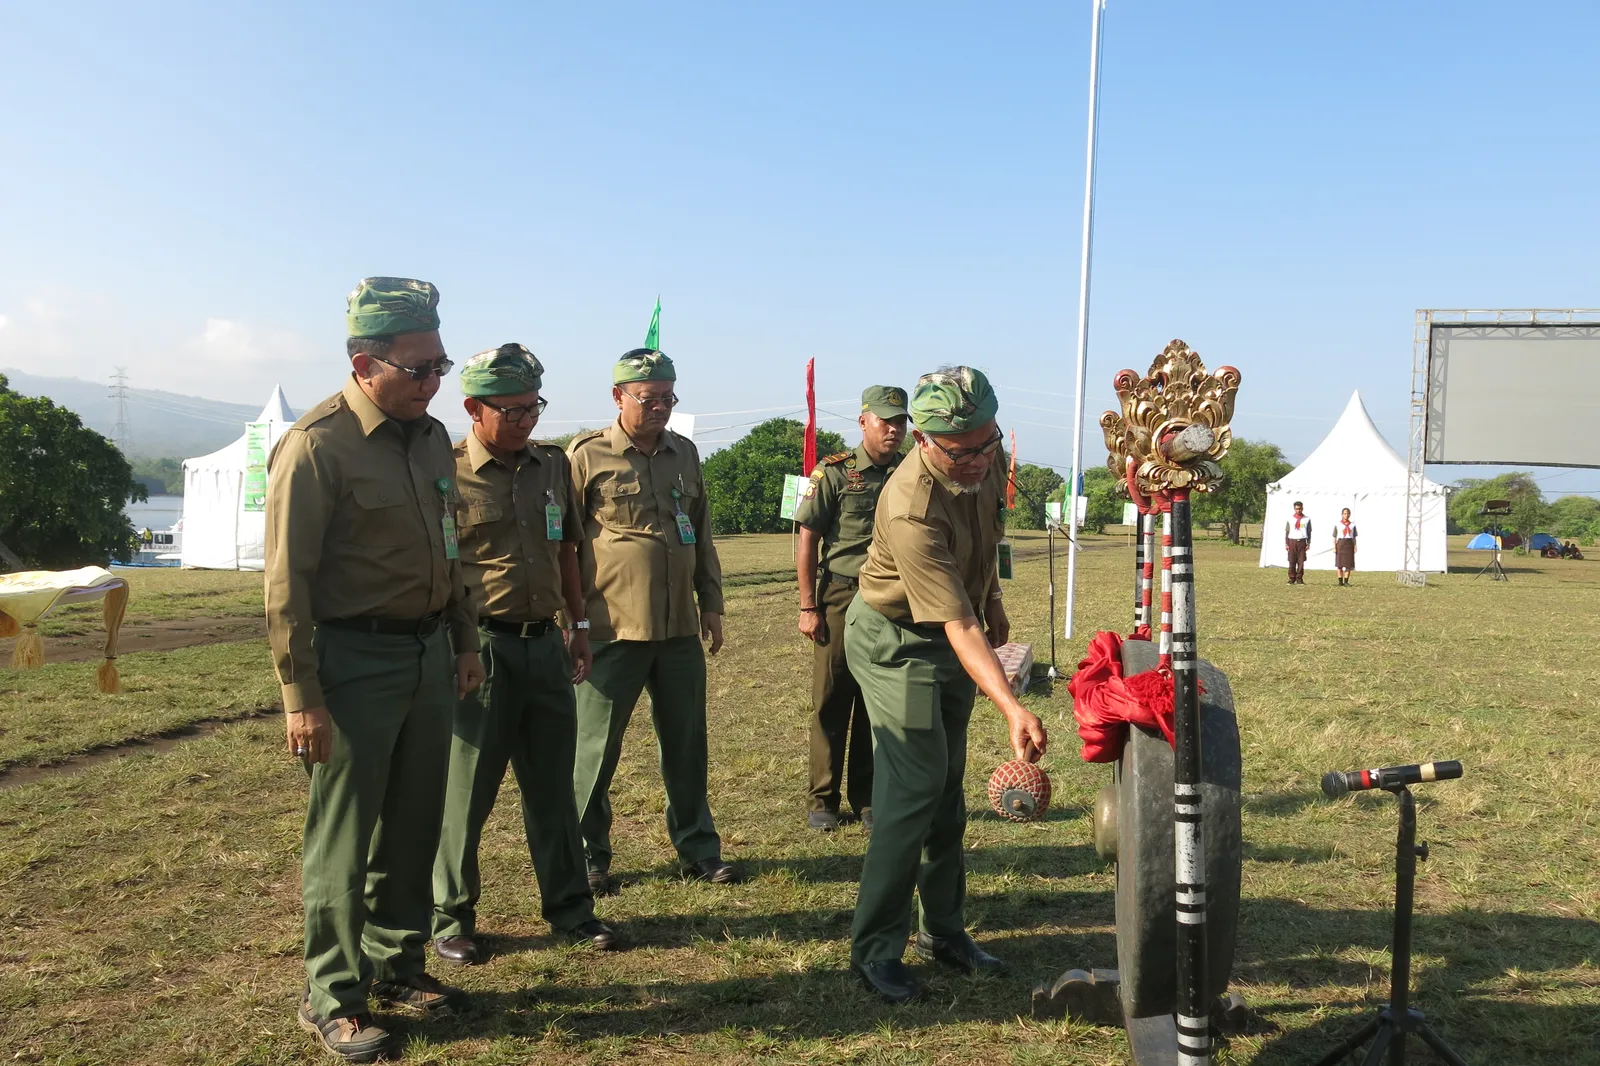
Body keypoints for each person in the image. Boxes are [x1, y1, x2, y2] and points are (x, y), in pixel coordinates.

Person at [266, 277, 482, 1062]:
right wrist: (301, 698)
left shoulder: (430, 440)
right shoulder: (317, 445)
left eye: (440, 366)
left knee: (415, 822)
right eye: (419, 369)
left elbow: (452, 549)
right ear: (365, 365)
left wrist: (463, 641)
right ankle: (332, 996)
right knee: (344, 836)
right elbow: (286, 585)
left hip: (427, 654)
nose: (434, 383)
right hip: (351, 660)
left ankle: (398, 964)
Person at [843, 365, 1048, 1004]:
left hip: (958, 628)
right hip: (897, 641)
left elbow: (985, 544)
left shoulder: (984, 456)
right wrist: (1011, 705)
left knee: (946, 788)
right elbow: (954, 624)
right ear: (924, 441)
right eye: (962, 453)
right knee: (912, 790)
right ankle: (876, 949)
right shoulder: (910, 504)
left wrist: (994, 597)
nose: (979, 461)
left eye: (988, 444)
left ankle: (944, 929)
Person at [430, 344, 622, 968]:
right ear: (473, 408)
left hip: (545, 645)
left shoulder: (550, 466)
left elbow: (567, 550)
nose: (525, 420)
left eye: (533, 407)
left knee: (552, 788)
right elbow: (442, 566)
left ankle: (571, 908)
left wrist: (579, 625)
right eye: (511, 410)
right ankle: (450, 917)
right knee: (467, 790)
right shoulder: (445, 471)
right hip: (480, 648)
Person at [568, 348, 736, 892]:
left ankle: (699, 849)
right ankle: (587, 856)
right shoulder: (586, 456)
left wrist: (711, 602)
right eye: (648, 398)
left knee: (687, 745)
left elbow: (701, 532)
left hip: (678, 627)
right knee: (595, 749)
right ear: (618, 396)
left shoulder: (684, 453)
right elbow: (564, 544)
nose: (660, 407)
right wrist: (571, 621)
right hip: (611, 628)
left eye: (668, 397)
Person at [793, 385, 909, 832]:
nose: (893, 430)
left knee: (875, 701)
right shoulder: (835, 472)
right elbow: (808, 539)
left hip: (892, 599)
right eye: (885, 421)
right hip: (841, 596)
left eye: (900, 422)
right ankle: (823, 799)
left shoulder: (909, 472)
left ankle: (868, 798)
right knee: (832, 697)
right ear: (863, 422)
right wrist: (808, 606)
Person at [1285, 500, 1311, 584]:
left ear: (1302, 508)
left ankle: (1299, 578)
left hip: (1302, 541)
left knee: (1301, 561)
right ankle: (1292, 578)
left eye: (1300, 509)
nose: (1298, 510)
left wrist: (1308, 543)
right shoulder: (1290, 519)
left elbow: (1309, 532)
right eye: (1296, 509)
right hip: (1292, 541)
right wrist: (1286, 543)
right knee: (1292, 560)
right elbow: (1287, 531)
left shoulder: (1306, 519)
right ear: (1294, 509)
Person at [1333, 507, 1357, 585]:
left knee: (1348, 564)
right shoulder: (1338, 524)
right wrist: (1334, 547)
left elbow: (1354, 537)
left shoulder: (1352, 525)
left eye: (1347, 513)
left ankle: (1346, 581)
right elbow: (1334, 536)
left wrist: (1355, 546)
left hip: (1349, 543)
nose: (1346, 515)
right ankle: (1340, 581)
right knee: (1339, 564)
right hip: (1340, 543)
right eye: (1345, 513)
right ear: (1342, 514)